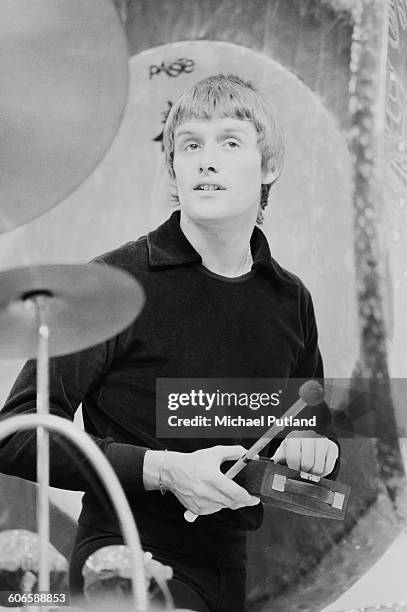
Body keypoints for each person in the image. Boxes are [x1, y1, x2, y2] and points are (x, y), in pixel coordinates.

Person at [0, 74, 340, 612]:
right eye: (190, 145)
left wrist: (313, 449)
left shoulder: (291, 299)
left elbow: (305, 425)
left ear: (269, 167)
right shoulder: (113, 285)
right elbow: (15, 435)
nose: (207, 160)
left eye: (230, 142)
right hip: (123, 555)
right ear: (175, 170)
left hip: (231, 566)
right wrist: (165, 471)